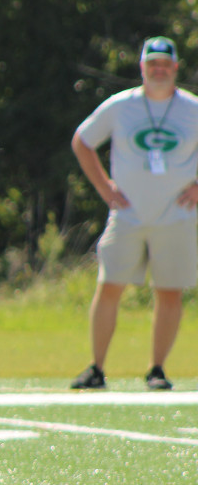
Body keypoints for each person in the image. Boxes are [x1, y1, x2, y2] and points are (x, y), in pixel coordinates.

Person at [69, 36, 198, 391]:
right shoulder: (121, 106)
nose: (158, 69)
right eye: (151, 63)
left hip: (177, 215)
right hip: (126, 215)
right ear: (142, 67)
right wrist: (104, 188)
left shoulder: (191, 108)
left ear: (175, 68)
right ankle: (96, 367)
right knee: (109, 285)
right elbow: (83, 141)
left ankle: (157, 369)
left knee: (169, 291)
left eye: (165, 64)